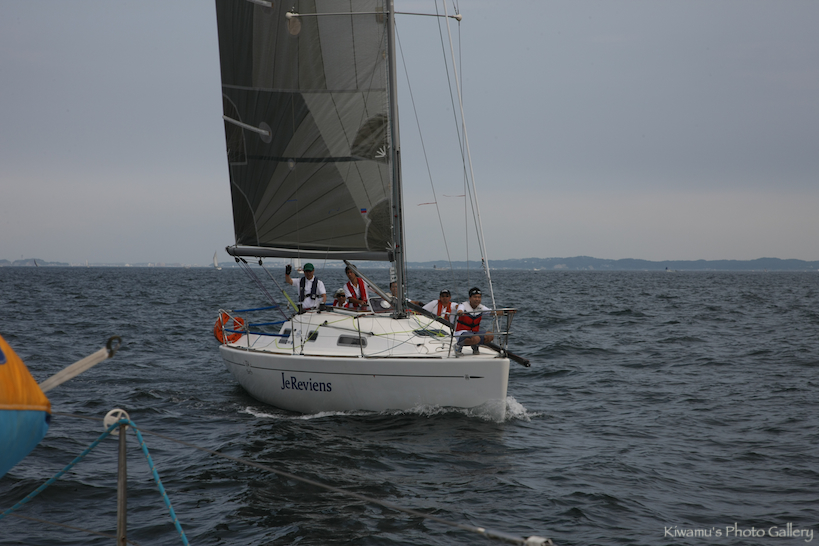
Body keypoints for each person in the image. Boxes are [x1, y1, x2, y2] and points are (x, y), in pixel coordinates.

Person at [454, 287, 497, 355]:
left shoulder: (481, 307)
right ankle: (458, 346)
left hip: (474, 333)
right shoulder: (463, 305)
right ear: (470, 298)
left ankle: (475, 345)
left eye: (479, 297)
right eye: (475, 297)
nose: (477, 299)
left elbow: (492, 312)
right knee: (476, 338)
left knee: (490, 335)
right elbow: (459, 310)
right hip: (461, 333)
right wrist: (460, 312)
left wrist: (507, 311)